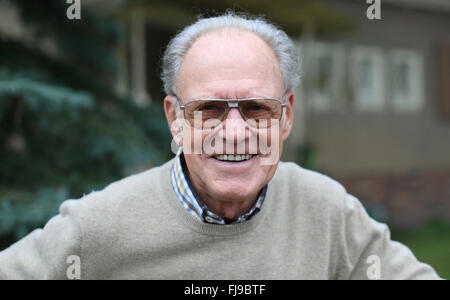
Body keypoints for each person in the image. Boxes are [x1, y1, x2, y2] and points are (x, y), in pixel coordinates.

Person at [0, 12, 441, 280]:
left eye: (255, 108)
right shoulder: (98, 227)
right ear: (175, 119)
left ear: (286, 115)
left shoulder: (326, 212)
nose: (234, 132)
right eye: (210, 108)